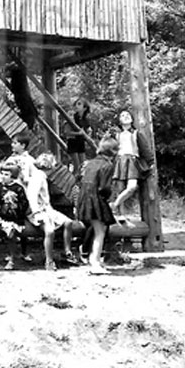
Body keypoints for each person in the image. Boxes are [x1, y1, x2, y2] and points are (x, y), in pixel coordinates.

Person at [74, 136, 119, 275]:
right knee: (100, 231)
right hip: (96, 199)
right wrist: (107, 199)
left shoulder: (90, 163)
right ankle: (95, 261)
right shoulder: (107, 165)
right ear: (113, 151)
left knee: (97, 228)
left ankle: (92, 257)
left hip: (84, 198)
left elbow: (79, 179)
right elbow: (104, 187)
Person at [27, 153, 77, 270]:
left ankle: (67, 252)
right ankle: (49, 260)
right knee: (49, 231)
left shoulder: (43, 176)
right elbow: (32, 197)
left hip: (47, 209)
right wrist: (36, 213)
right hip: (37, 211)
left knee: (68, 222)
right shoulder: (37, 178)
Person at [0, 163, 30, 270]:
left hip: (14, 217)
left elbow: (24, 204)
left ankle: (12, 260)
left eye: (6, 174)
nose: (3, 176)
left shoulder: (18, 188)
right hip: (2, 216)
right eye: (2, 174)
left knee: (12, 233)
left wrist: (17, 210)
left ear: (13, 176)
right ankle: (3, 228)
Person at [111, 111, 154, 224]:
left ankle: (114, 205)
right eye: (123, 115)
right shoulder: (116, 135)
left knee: (132, 187)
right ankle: (121, 215)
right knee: (120, 188)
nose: (126, 117)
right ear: (120, 120)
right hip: (120, 161)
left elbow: (145, 149)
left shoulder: (136, 133)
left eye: (128, 115)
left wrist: (151, 162)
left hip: (132, 161)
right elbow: (110, 149)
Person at [65, 99, 97, 174]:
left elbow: (87, 131)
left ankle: (81, 179)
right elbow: (67, 132)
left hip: (81, 142)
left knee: (83, 165)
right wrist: (79, 133)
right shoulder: (72, 118)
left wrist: (88, 133)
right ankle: (74, 180)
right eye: (76, 104)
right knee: (77, 166)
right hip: (73, 142)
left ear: (85, 108)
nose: (76, 106)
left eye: (79, 104)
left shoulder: (85, 120)